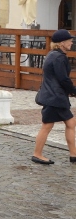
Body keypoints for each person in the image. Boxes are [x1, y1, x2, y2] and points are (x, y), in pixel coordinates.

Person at [31, 29, 76, 165]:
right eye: (69, 40)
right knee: (47, 126)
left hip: (54, 96)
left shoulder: (53, 55)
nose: (72, 42)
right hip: (55, 98)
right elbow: (63, 79)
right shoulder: (59, 57)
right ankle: (37, 154)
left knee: (70, 123)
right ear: (62, 43)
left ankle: (73, 154)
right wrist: (74, 91)